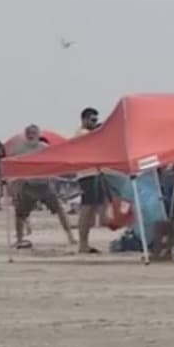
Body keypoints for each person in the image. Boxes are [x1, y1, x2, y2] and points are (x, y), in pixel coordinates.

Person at [10, 124, 75, 248]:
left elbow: (54, 162)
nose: (31, 135)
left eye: (33, 132)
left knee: (59, 210)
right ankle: (19, 239)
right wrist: (15, 182)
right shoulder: (19, 148)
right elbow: (13, 163)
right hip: (28, 185)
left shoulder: (44, 147)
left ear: (38, 134)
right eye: (28, 132)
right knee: (20, 213)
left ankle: (70, 236)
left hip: (45, 184)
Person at [75, 107, 107, 254]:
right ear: (85, 119)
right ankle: (82, 244)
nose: (95, 123)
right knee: (87, 209)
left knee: (92, 209)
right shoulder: (82, 134)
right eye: (92, 120)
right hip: (87, 174)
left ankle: (85, 243)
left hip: (94, 173)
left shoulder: (88, 134)